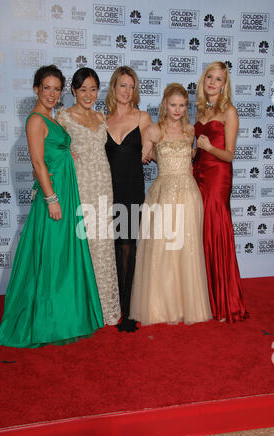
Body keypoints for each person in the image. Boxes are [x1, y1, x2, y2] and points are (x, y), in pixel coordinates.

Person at [0, 65, 104, 348]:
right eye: (47, 88)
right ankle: (47, 319)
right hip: (54, 198)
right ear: (36, 89)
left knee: (62, 257)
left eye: (57, 89)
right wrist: (51, 199)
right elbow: (38, 162)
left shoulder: (50, 119)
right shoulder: (35, 121)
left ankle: (62, 315)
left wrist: (69, 154)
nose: (52, 94)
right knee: (52, 258)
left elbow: (53, 152)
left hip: (67, 190)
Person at [129, 83, 212, 326]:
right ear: (165, 104)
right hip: (162, 193)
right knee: (162, 250)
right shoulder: (153, 131)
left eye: (182, 105)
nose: (177, 109)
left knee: (187, 250)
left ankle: (186, 304)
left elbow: (192, 160)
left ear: (186, 107)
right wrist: (146, 152)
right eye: (173, 104)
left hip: (188, 193)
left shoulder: (189, 130)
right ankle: (159, 306)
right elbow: (147, 155)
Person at [56, 68, 120, 326]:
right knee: (80, 244)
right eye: (83, 89)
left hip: (103, 185)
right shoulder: (63, 117)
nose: (88, 94)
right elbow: (53, 150)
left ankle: (105, 308)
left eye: (93, 89)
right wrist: (64, 156)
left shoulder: (101, 117)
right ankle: (81, 308)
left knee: (102, 244)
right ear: (73, 90)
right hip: (80, 187)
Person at [193, 61, 249, 322]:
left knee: (216, 232)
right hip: (198, 174)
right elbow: (197, 148)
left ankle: (224, 300)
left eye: (219, 79)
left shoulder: (230, 112)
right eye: (210, 78)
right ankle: (205, 298)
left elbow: (228, 155)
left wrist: (208, 147)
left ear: (225, 85)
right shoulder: (199, 111)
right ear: (204, 81)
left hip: (218, 177)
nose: (213, 82)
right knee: (201, 232)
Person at [105, 66, 152, 332]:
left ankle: (129, 307)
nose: (127, 91)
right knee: (110, 247)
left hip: (132, 189)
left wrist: (151, 147)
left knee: (127, 246)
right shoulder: (103, 120)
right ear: (114, 88)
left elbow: (156, 143)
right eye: (123, 85)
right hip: (108, 191)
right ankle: (112, 304)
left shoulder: (143, 117)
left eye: (131, 86)